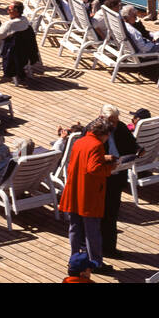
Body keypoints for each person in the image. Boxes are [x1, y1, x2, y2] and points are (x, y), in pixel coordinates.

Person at [59, 118, 116, 271]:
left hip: (74, 190)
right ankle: (96, 263)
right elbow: (93, 169)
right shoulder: (97, 145)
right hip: (88, 194)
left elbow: (85, 160)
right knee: (92, 231)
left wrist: (104, 158)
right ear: (103, 134)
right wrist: (110, 168)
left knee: (75, 228)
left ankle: (74, 259)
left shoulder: (80, 141)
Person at [98, 104, 138, 257]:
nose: (115, 124)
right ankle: (98, 249)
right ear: (102, 118)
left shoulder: (120, 127)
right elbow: (87, 154)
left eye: (116, 120)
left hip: (118, 175)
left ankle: (110, 248)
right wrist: (104, 158)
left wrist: (138, 151)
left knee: (112, 213)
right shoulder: (94, 130)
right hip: (102, 178)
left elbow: (131, 144)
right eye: (112, 121)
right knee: (101, 215)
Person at [0, 2, 41, 85]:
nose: (7, 11)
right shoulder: (25, 20)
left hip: (9, 50)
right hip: (25, 51)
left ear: (16, 11)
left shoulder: (10, 24)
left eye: (9, 9)